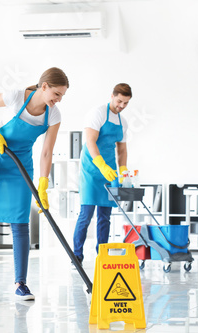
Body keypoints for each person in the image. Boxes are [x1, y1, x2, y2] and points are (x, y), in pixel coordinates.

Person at [0, 67, 69, 300]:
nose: (58, 100)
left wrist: (43, 185)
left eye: (62, 96)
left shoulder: (53, 115)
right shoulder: (16, 96)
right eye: (56, 94)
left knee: (20, 222)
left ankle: (20, 284)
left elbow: (46, 152)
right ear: (43, 86)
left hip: (20, 167)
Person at [72, 83, 132, 265]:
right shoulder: (97, 113)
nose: (121, 106)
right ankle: (77, 256)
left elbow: (122, 150)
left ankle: (102, 255)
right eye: (119, 101)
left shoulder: (123, 123)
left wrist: (122, 170)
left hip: (109, 171)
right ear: (112, 96)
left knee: (105, 216)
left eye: (126, 103)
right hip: (91, 169)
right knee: (86, 214)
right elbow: (90, 141)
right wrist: (100, 165)